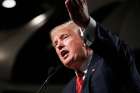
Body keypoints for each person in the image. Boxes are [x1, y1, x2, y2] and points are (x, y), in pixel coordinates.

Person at [50, 0, 140, 93]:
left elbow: (115, 49)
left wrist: (86, 23)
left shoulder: (109, 62)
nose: (59, 45)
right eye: (55, 44)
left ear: (83, 39)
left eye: (64, 37)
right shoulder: (67, 90)